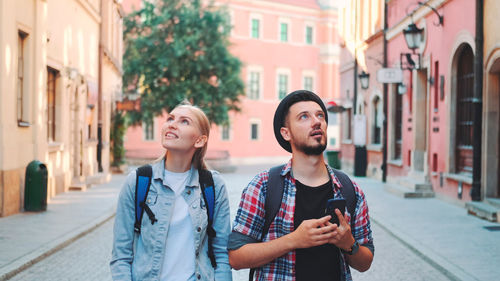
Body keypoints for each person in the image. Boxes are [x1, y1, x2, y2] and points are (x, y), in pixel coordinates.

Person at [228, 90, 374, 281]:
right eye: (304, 116)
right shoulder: (263, 186)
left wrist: (349, 244)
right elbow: (236, 257)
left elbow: (365, 262)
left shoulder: (349, 189)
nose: (316, 121)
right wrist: (294, 240)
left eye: (320, 115)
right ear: (286, 133)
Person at [110, 102, 232, 281]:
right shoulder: (138, 181)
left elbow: (221, 254)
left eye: (184, 121)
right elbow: (121, 254)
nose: (172, 124)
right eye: (170, 118)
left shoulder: (213, 185)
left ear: (199, 140)